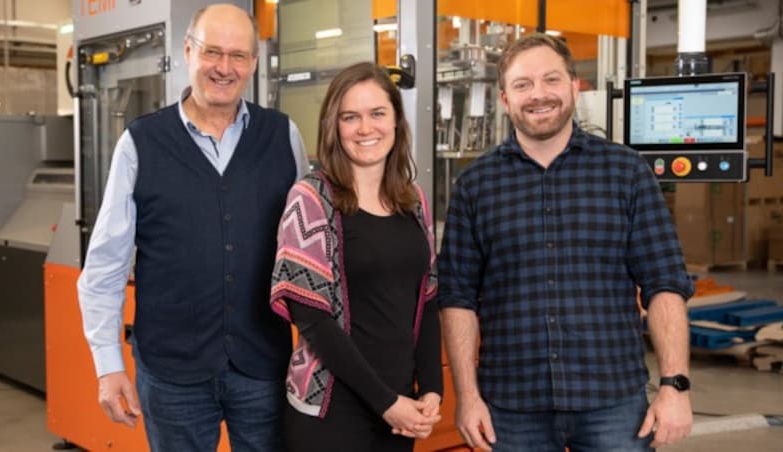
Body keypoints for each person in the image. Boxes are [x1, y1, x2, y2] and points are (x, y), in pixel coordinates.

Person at [438, 33, 694, 452]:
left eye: (551, 80)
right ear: (505, 99)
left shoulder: (627, 174)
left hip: (613, 401)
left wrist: (675, 386)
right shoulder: (475, 187)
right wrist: (467, 397)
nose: (538, 95)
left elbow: (664, 284)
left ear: (575, 86)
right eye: (523, 85)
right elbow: (458, 299)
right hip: (512, 406)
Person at [77, 4, 308, 451]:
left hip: (263, 365)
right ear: (187, 51)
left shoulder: (283, 136)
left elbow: (309, 249)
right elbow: (105, 264)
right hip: (171, 374)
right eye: (212, 52)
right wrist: (108, 365)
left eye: (238, 55)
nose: (224, 68)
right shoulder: (140, 143)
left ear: (254, 63)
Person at [269, 61, 443, 451]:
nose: (366, 128)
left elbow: (427, 299)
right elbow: (311, 318)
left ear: (396, 121)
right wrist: (386, 403)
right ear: (335, 127)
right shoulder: (311, 198)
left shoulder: (414, 202)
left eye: (378, 114)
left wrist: (432, 388)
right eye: (351, 117)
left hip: (400, 408)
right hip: (332, 409)